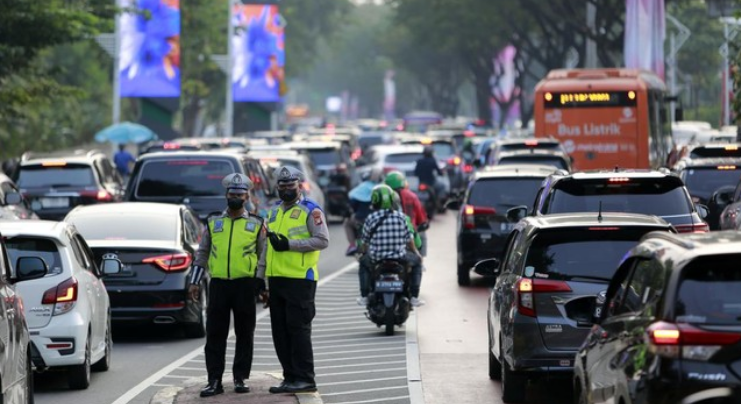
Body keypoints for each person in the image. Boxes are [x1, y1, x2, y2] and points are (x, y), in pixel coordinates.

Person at [189, 173, 267, 398]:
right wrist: (194, 281)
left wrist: (263, 286)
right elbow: (202, 253)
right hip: (219, 285)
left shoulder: (256, 223)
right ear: (226, 195)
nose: (235, 198)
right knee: (215, 334)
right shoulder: (214, 221)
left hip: (245, 285)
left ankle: (240, 377)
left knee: (245, 333)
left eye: (240, 195)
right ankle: (214, 380)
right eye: (232, 194)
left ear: (247, 196)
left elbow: (263, 257)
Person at [258, 165, 329, 394]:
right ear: (277, 187)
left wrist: (290, 245)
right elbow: (267, 247)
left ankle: (305, 378)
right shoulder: (274, 211)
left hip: (300, 280)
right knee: (280, 332)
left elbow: (322, 240)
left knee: (298, 330)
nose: (287, 189)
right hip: (276, 280)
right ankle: (290, 377)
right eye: (282, 185)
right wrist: (261, 279)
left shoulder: (311, 210)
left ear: (299, 186)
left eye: (291, 185)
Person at [356, 184, 424, 307]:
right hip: (400, 257)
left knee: (363, 263)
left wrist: (364, 253)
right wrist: (416, 253)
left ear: (375, 200)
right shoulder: (402, 217)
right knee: (417, 262)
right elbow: (410, 240)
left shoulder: (370, 218)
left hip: (377, 258)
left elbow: (364, 242)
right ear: (393, 200)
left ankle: (364, 296)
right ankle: (414, 297)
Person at [384, 170, 430, 255]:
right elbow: (421, 218)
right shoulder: (411, 196)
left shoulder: (384, 197)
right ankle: (421, 260)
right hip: (410, 233)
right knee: (422, 235)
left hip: (386, 235)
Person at [344, 167, 383, 256]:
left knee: (347, 223)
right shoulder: (382, 188)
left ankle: (352, 245)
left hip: (360, 220)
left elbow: (352, 206)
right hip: (379, 221)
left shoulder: (361, 188)